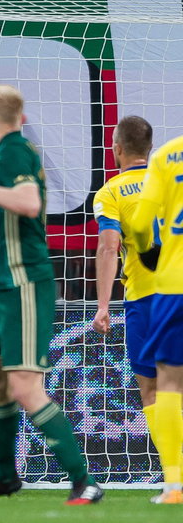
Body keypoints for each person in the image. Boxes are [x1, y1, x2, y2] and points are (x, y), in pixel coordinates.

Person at [0, 85, 102, 505]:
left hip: (24, 285)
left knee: (25, 386)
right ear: (21, 116)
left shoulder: (14, 149)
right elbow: (11, 199)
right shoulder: (5, 156)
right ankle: (2, 476)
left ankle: (83, 480)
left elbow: (29, 203)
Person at [91, 116, 158, 453]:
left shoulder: (111, 192)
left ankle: (174, 474)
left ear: (116, 149)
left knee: (152, 391)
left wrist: (103, 306)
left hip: (145, 299)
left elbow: (108, 246)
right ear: (150, 148)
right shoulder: (171, 185)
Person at [132, 132, 183, 504]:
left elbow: (140, 223)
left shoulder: (166, 155)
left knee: (169, 382)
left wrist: (151, 252)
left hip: (174, 280)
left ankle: (175, 486)